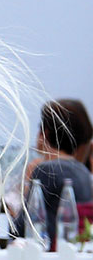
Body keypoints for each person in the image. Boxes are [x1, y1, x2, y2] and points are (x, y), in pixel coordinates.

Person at [14, 99, 93, 244]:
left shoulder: (46, 170)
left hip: (47, 255)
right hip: (72, 251)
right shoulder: (84, 172)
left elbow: (20, 228)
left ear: (45, 133)